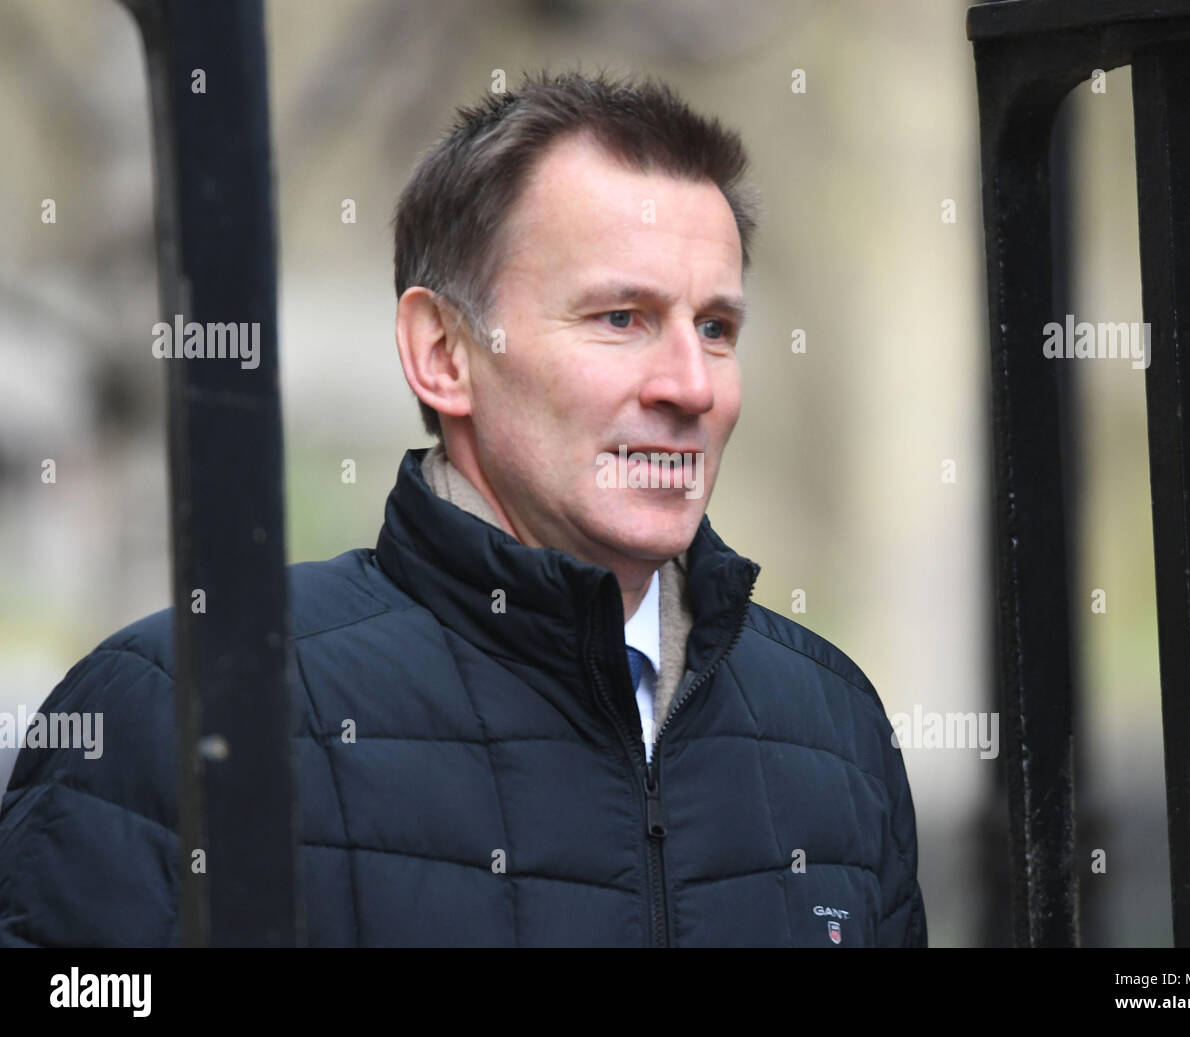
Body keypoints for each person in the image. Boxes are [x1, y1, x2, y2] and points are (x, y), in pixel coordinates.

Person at [0, 69, 926, 947]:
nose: (691, 384)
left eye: (716, 328)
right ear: (443, 352)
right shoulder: (181, 710)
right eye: (620, 318)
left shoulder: (833, 728)